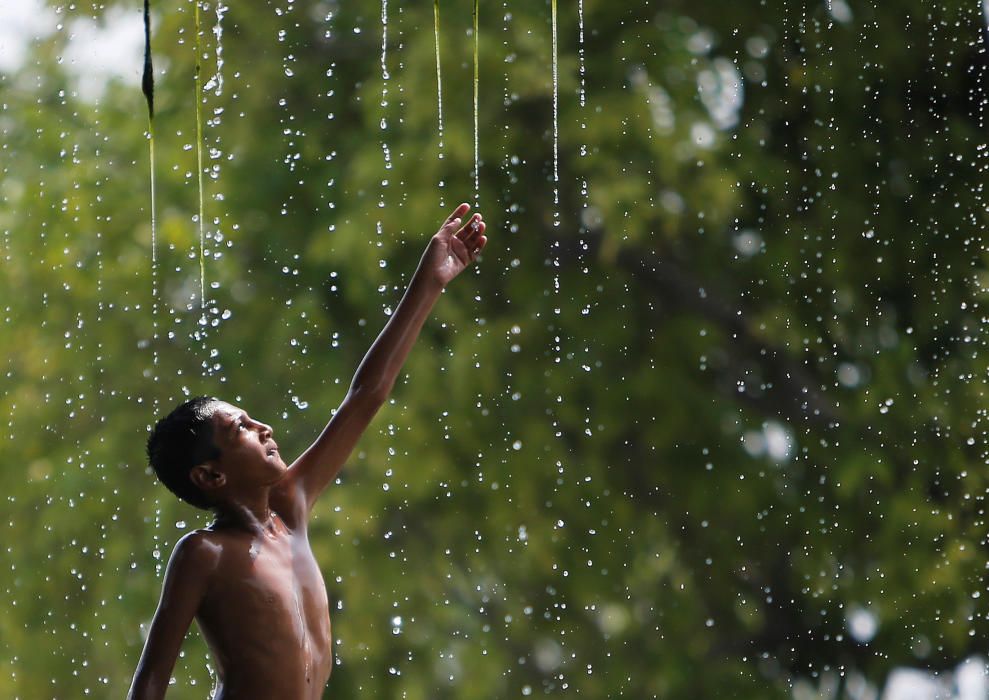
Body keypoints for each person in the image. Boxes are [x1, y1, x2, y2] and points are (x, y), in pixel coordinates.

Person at [127, 203, 488, 699]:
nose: (264, 427)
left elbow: (367, 395)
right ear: (210, 476)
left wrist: (430, 283)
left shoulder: (291, 507)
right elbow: (149, 683)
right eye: (242, 430)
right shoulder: (202, 555)